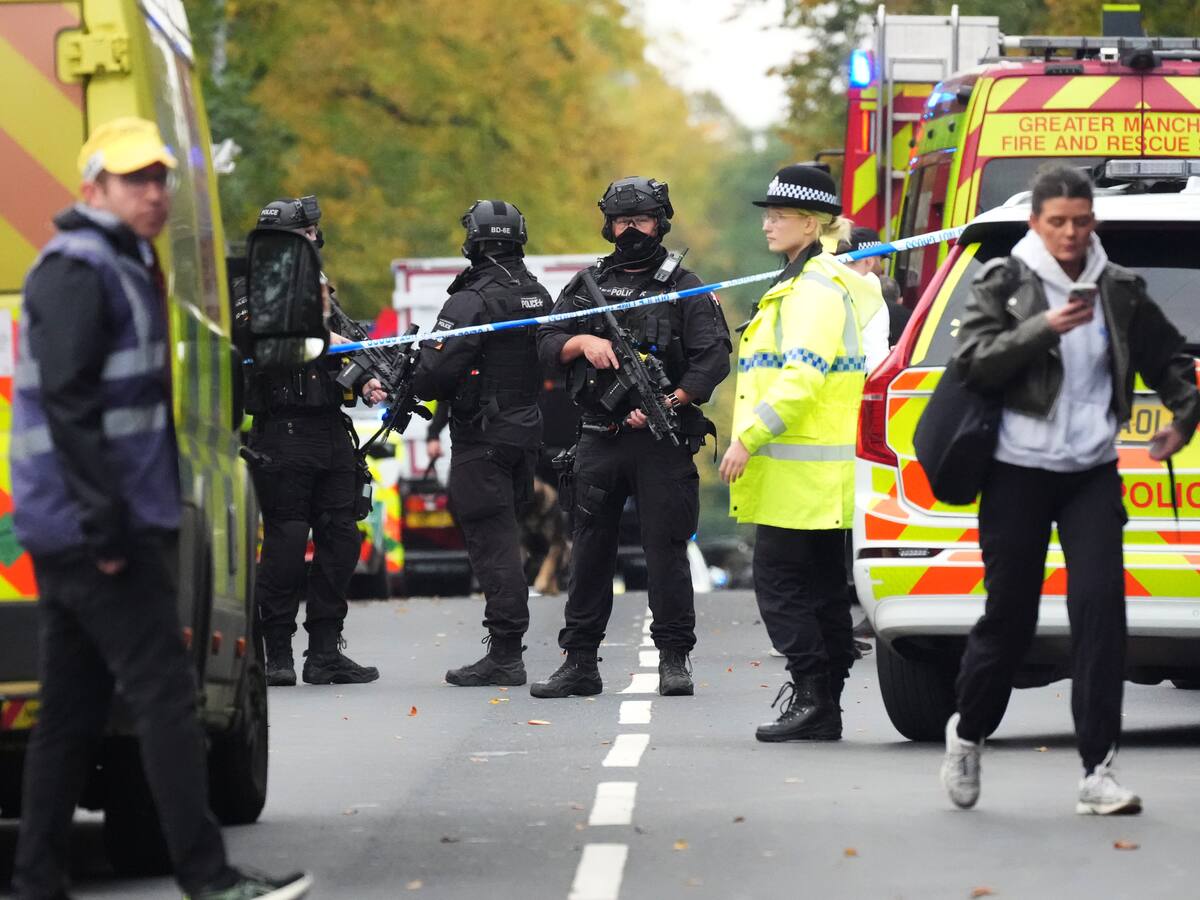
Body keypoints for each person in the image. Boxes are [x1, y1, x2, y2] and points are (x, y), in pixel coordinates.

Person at [10, 117, 311, 899]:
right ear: (93, 189)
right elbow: (72, 409)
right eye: (134, 180)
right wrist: (108, 526)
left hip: (86, 526)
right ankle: (207, 879)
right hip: (96, 530)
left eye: (160, 178)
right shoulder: (79, 268)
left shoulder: (119, 261)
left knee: (71, 713)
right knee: (167, 697)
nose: (154, 192)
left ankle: (39, 877)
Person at [940, 166, 1200, 815]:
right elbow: (973, 361)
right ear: (1037, 223)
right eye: (1057, 222)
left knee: (1100, 614)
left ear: (1094, 223)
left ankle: (1097, 772)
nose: (1070, 234)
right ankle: (968, 732)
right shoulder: (1004, 280)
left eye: (1081, 222)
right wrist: (1043, 329)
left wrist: (1182, 419)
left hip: (1089, 472)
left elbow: (1168, 361)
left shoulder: (1119, 289)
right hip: (1016, 473)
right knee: (1011, 619)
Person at [532, 176, 731, 699]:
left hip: (662, 443)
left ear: (659, 222)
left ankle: (674, 659)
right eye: (621, 222)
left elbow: (714, 358)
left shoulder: (686, 286)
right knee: (591, 549)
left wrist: (673, 401)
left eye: (639, 220)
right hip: (600, 438)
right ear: (609, 224)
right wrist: (582, 341)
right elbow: (545, 340)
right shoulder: (586, 285)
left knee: (665, 548)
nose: (630, 231)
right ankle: (579, 662)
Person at [718, 164, 880, 742]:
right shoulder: (805, 283)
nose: (767, 224)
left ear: (809, 224)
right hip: (813, 475)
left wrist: (747, 439)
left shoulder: (813, 291)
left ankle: (813, 694)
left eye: (778, 215)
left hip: (800, 474)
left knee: (783, 586)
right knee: (820, 590)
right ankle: (822, 705)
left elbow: (800, 380)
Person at [244, 196, 385, 687]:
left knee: (342, 540)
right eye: (303, 235)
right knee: (285, 543)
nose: (311, 242)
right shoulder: (253, 290)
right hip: (282, 434)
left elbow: (347, 348)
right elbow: (266, 344)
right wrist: (321, 330)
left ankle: (325, 651)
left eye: (312, 235)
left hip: (330, 431)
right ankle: (276, 652)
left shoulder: (324, 289)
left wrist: (367, 381)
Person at [412, 200, 552, 686]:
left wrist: (414, 374)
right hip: (524, 435)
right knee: (507, 534)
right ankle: (507, 649)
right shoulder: (536, 292)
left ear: (473, 238)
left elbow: (435, 371)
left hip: (483, 438)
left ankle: (506, 654)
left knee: (493, 544)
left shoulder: (471, 300)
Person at [842, 225, 910, 370]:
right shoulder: (870, 295)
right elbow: (875, 360)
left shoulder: (823, 286)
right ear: (869, 261)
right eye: (880, 260)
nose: (881, 268)